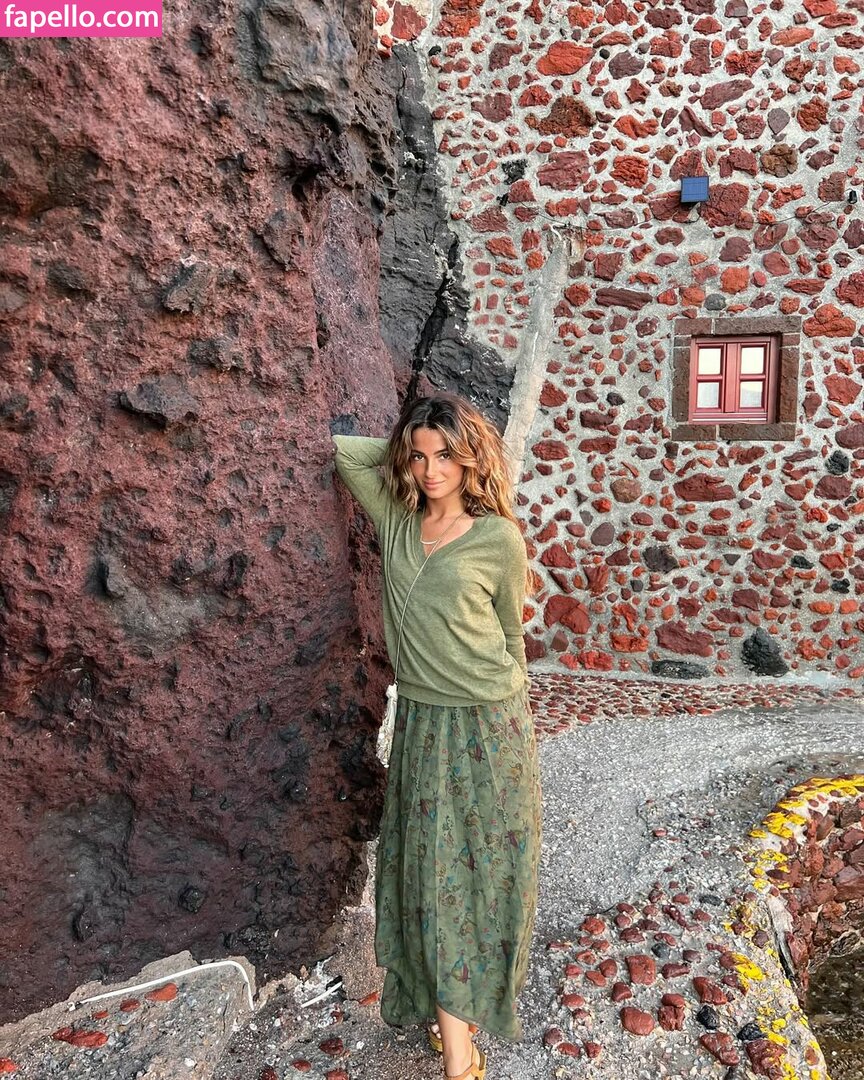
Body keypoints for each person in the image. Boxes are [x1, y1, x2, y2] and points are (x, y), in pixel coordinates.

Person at [332, 392, 541, 1080]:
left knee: (484, 871)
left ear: (471, 458)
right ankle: (456, 1036)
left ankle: (459, 1049)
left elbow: (510, 635)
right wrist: (405, 442)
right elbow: (344, 453)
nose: (431, 471)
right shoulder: (396, 518)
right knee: (431, 873)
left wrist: (511, 711)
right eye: (419, 457)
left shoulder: (497, 538)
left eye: (446, 455)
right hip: (423, 723)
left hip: (491, 723)